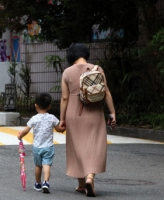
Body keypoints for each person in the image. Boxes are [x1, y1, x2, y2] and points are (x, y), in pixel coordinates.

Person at [59, 43, 116, 197]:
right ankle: (90, 177)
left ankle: (81, 184)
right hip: (95, 111)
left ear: (71, 57)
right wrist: (112, 113)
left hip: (74, 113)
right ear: (86, 54)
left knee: (77, 146)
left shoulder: (67, 72)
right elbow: (106, 93)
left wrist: (62, 119)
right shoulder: (97, 69)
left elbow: (64, 98)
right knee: (94, 144)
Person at [18, 92, 65, 193]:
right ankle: (46, 182)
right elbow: (59, 129)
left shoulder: (34, 118)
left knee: (38, 165)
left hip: (37, 147)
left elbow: (26, 130)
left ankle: (38, 184)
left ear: (36, 106)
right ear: (49, 106)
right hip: (48, 147)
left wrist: (20, 136)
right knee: (46, 164)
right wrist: (64, 127)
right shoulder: (52, 117)